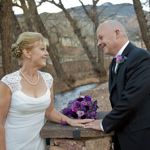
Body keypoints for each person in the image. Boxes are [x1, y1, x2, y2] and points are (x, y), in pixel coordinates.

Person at [0, 32, 93, 150]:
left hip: (39, 145)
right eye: (42, 49)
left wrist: (70, 121)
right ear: (27, 52)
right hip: (12, 144)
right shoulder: (8, 82)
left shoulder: (47, 79)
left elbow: (49, 112)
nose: (47, 53)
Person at [84, 20, 150, 150]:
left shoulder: (141, 57)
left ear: (117, 33)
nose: (98, 43)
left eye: (101, 37)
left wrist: (105, 123)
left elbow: (131, 99)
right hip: (123, 136)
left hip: (140, 137)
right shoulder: (115, 62)